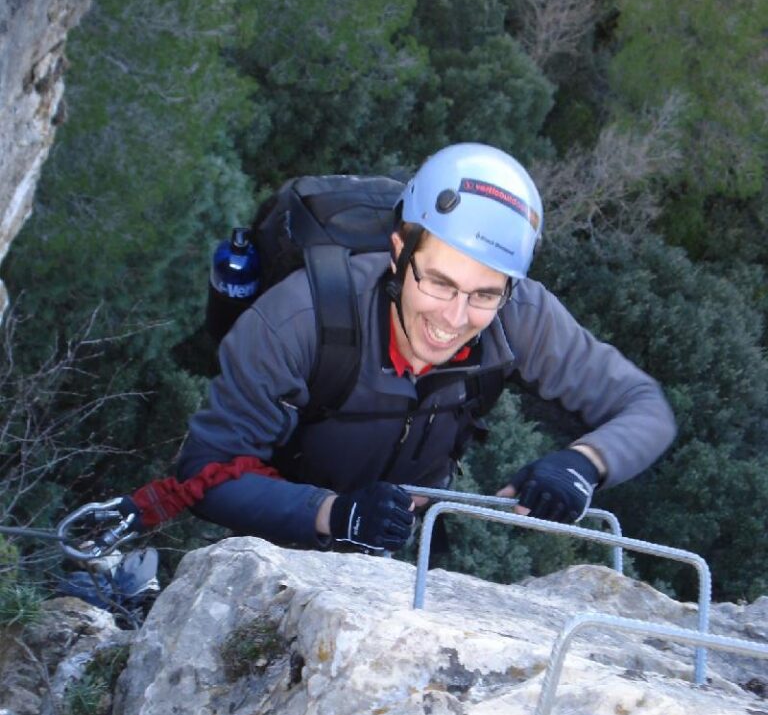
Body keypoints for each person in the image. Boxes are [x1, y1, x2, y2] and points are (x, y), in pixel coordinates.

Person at [176, 143, 676, 554]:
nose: (455, 319)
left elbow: (646, 407)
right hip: (276, 539)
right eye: (438, 282)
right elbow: (205, 472)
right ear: (399, 253)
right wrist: (335, 513)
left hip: (394, 541)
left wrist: (584, 463)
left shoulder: (520, 313)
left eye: (484, 294)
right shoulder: (299, 318)